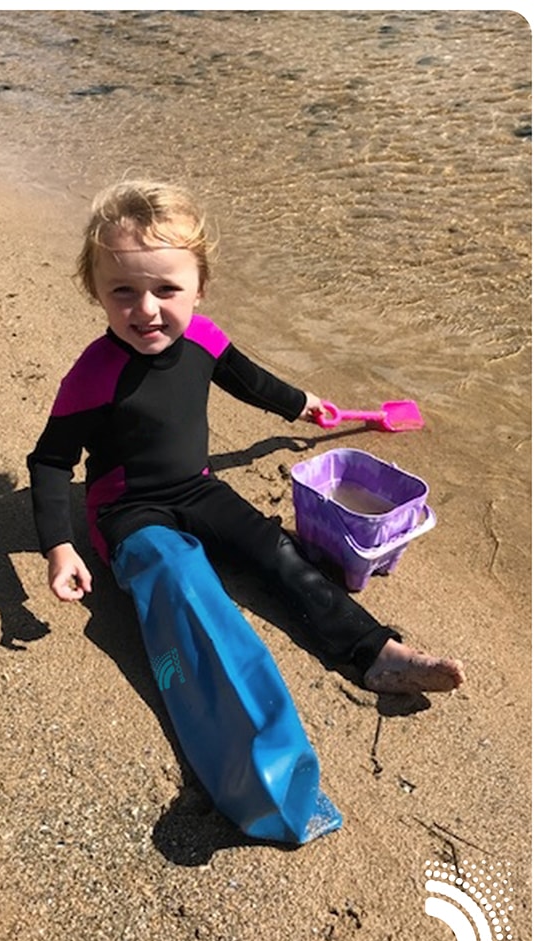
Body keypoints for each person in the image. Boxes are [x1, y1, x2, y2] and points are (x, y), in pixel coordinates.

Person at [27, 179, 465, 696]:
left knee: (280, 552)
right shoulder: (91, 376)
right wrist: (59, 546)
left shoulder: (204, 339)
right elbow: (51, 462)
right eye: (123, 290)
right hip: (126, 510)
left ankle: (376, 653)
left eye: (166, 289)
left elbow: (248, 380)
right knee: (178, 573)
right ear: (95, 289)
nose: (146, 310)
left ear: (199, 287)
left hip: (198, 488)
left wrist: (302, 404)